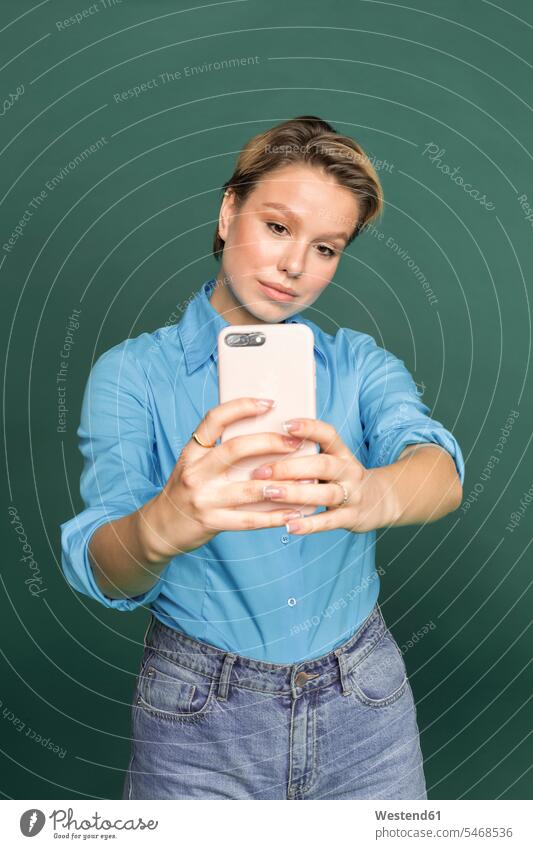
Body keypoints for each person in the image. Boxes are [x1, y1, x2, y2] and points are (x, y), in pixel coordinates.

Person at [60, 115, 465, 800]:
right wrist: (158, 526)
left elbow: (438, 467)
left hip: (364, 703)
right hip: (195, 715)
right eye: (277, 227)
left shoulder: (358, 364)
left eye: (327, 247)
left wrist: (376, 493)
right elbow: (105, 565)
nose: (295, 266)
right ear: (227, 212)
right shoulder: (130, 376)